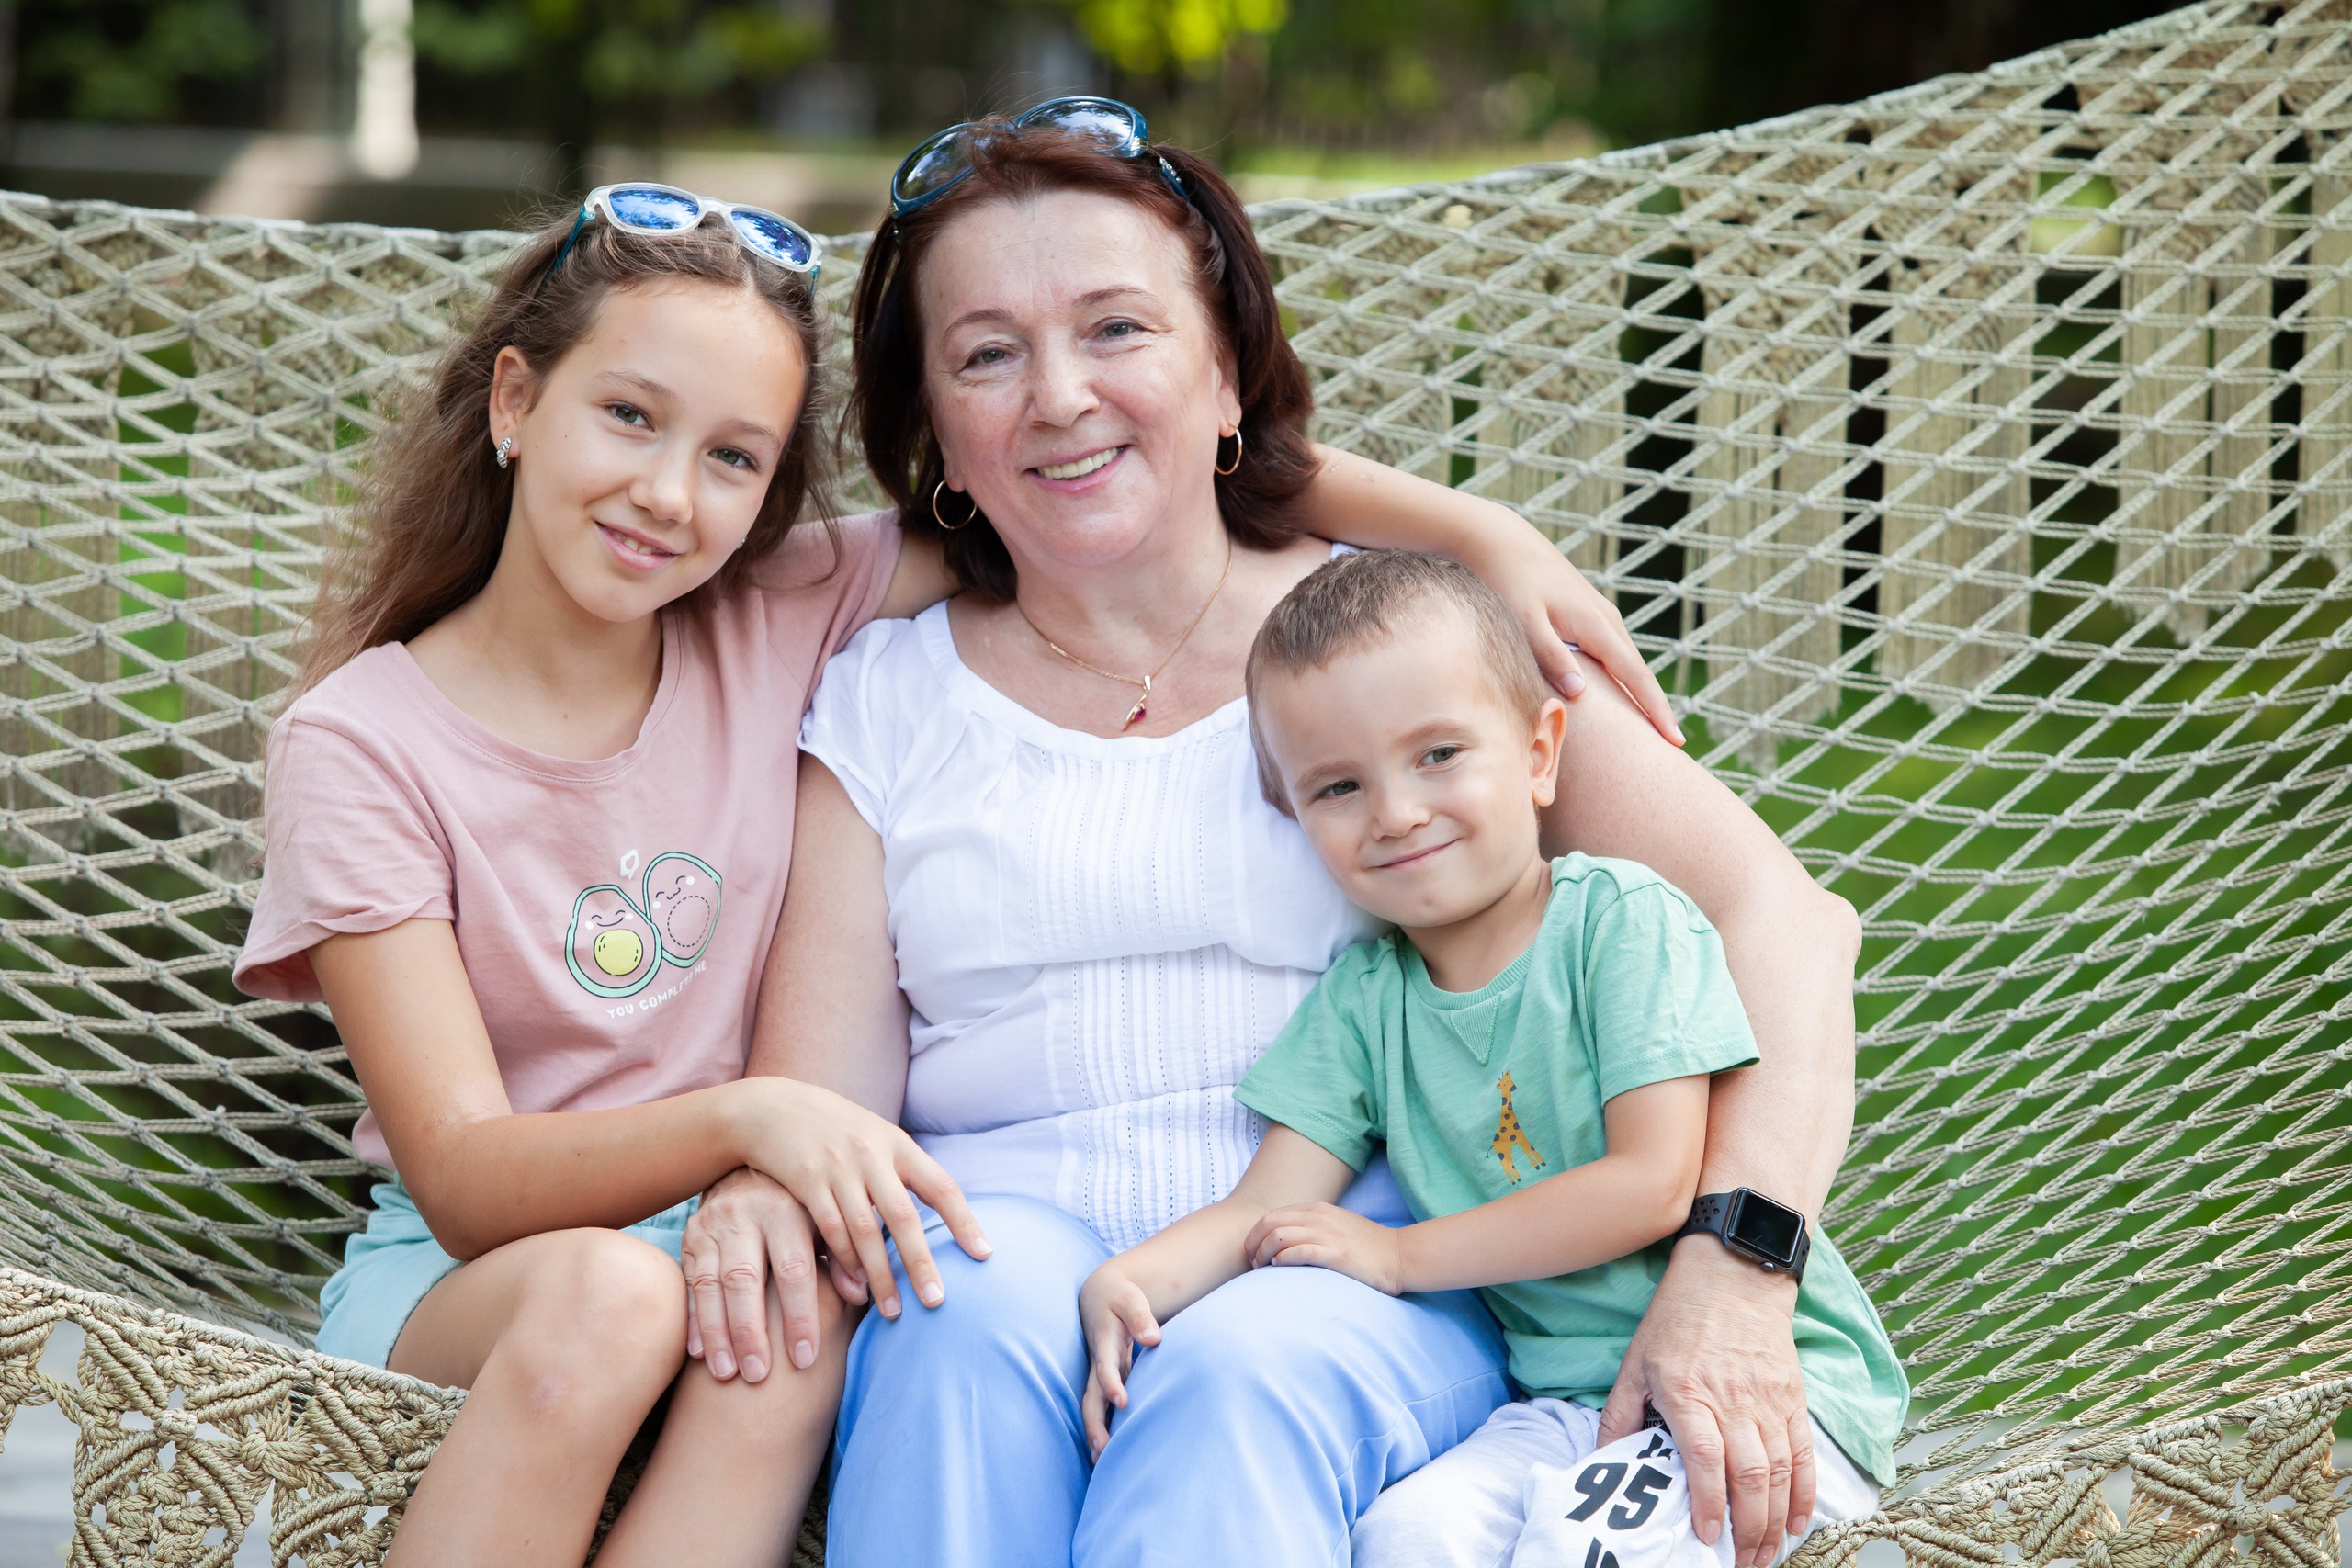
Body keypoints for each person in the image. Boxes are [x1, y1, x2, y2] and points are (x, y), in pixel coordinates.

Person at [234, 171, 1658, 1564]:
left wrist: (1481, 531)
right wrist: (761, 1124)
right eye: (626, 415)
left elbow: (1097, 473)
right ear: (513, 401)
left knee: (789, 1331)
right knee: (632, 1300)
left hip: (735, 1227)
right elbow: (471, 1179)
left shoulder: (761, 604)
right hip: (491, 1263)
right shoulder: (365, 740)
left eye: (735, 457)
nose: (669, 494)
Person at [680, 100, 1865, 1568]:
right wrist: (755, 1174)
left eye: (1117, 328)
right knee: (954, 1331)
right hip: (992, 1238)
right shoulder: (877, 700)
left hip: (1356, 1256)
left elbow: (1788, 924)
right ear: (938, 441)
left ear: (1227, 374)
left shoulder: (1400, 644)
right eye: (989, 353)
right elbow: (831, 1094)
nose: (1058, 396)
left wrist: (1738, 1263)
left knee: (1237, 1376)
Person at [1079, 549, 1906, 1568]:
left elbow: (1650, 1185)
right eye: (1338, 785)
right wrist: (1132, 1278)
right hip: (1568, 1406)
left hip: (1767, 1397)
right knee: (1405, 1536)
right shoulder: (1364, 1004)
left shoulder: (1618, 921)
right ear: (1296, 813)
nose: (1395, 811)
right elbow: (1266, 1208)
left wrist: (1396, 1255)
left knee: (1578, 1546)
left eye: (1436, 755)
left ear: (1538, 753)